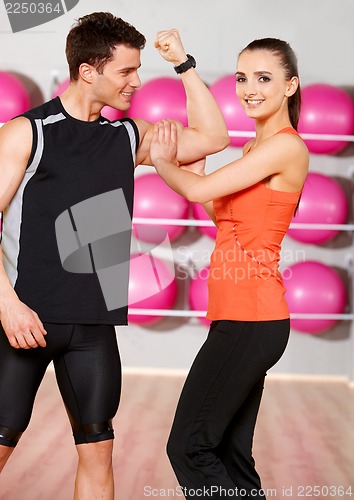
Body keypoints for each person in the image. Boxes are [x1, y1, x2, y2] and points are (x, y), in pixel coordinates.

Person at [0, 12, 229, 499]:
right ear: (89, 71)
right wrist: (7, 305)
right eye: (127, 71)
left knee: (99, 455)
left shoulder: (126, 137)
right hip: (20, 324)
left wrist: (184, 66)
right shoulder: (26, 133)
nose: (138, 82)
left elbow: (214, 139)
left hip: (92, 329)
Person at [149, 38, 309, 499]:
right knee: (229, 455)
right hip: (242, 316)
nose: (249, 89)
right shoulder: (253, 149)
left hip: (251, 318)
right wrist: (197, 173)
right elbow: (226, 219)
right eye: (242, 78)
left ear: (289, 86)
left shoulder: (285, 148)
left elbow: (199, 195)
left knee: (188, 447)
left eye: (264, 78)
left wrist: (164, 164)